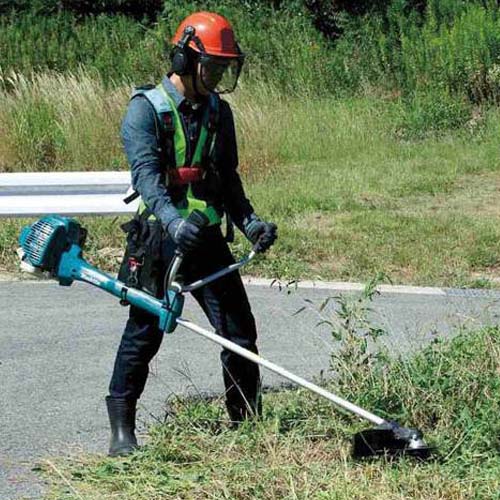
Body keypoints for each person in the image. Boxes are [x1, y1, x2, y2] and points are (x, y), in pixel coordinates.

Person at [106, 11, 278, 457]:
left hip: (205, 238)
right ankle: (122, 433)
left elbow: (229, 180)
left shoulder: (221, 113)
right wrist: (171, 220)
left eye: (226, 67)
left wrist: (251, 223)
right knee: (145, 333)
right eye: (213, 66)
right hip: (159, 241)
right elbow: (145, 176)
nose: (220, 76)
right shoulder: (145, 109)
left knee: (239, 332)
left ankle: (247, 425)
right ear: (184, 58)